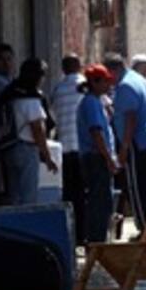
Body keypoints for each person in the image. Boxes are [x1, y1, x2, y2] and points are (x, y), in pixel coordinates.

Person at [103, 52, 146, 230]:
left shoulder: (125, 87)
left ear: (113, 71)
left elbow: (130, 118)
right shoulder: (139, 79)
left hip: (138, 144)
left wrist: (123, 148)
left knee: (139, 190)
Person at [0, 58, 58, 206]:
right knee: (28, 196)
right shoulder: (30, 99)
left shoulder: (12, 93)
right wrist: (47, 156)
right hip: (26, 149)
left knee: (14, 195)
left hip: (10, 148)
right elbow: (38, 129)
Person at [77, 65, 118, 243]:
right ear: (94, 82)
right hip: (96, 158)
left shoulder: (98, 101)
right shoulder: (91, 103)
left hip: (97, 157)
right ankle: (96, 242)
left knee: (103, 201)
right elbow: (96, 133)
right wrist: (108, 158)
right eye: (105, 81)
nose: (109, 85)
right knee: (99, 203)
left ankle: (98, 240)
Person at [51, 54, 86, 242]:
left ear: (63, 69)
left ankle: (71, 235)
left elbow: (53, 117)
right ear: (79, 66)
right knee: (84, 195)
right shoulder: (86, 86)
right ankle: (83, 234)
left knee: (70, 195)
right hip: (83, 149)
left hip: (65, 149)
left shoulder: (58, 89)